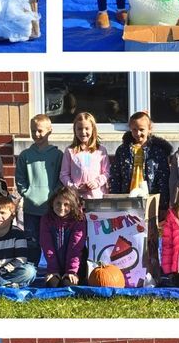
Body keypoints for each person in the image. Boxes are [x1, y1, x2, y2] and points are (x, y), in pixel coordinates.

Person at [14, 114, 62, 263]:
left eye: (40, 131)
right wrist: (27, 193)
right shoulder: (25, 155)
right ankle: (31, 271)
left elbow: (61, 179)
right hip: (30, 209)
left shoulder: (57, 155)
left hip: (51, 208)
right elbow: (20, 178)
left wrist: (54, 197)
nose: (36, 134)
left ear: (49, 131)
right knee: (32, 243)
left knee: (53, 243)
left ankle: (54, 270)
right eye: (33, 130)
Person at [110, 112, 173, 209]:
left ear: (149, 129)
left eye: (141, 129)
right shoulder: (123, 150)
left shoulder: (157, 152)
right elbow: (116, 176)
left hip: (150, 199)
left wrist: (163, 205)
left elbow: (163, 179)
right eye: (134, 130)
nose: (138, 133)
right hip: (127, 198)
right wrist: (115, 199)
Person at [39, 187, 87, 288]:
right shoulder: (46, 219)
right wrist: (53, 270)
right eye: (58, 203)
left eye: (66, 204)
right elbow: (47, 247)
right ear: (52, 203)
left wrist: (71, 271)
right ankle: (58, 273)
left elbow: (75, 248)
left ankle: (76, 275)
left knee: (67, 285)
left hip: (76, 265)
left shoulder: (78, 220)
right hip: (56, 264)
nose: (61, 207)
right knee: (52, 284)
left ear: (73, 205)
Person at [61, 112, 110, 201]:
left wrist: (96, 182)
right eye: (79, 129)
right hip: (76, 198)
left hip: (96, 197)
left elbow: (106, 172)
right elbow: (64, 175)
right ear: (75, 130)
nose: (83, 132)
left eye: (87, 128)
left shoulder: (101, 150)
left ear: (93, 129)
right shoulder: (70, 151)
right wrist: (74, 187)